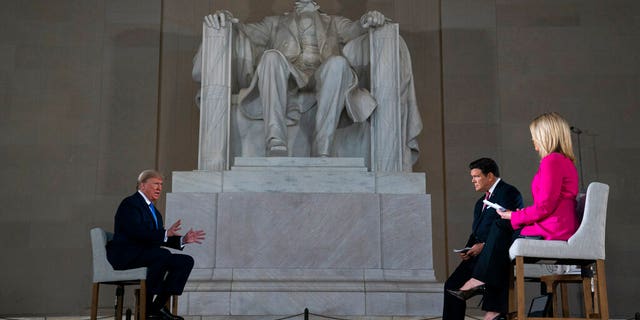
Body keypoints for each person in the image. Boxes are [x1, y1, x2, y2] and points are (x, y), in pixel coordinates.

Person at [198, 0, 401, 157]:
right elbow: (243, 31)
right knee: (270, 56)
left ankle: (323, 146)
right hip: (289, 78)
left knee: (338, 63)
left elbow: (357, 28)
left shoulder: (334, 23)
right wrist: (224, 19)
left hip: (323, 76)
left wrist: (370, 19)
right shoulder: (274, 23)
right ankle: (275, 139)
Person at [453, 112, 579, 320]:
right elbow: (548, 204)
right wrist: (517, 215)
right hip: (556, 223)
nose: (533, 140)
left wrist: (514, 216)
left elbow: (545, 206)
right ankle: (492, 308)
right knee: (501, 237)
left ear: (546, 135)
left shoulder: (552, 161)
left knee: (501, 229)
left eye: (535, 135)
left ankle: (481, 285)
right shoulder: (562, 161)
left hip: (554, 228)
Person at [106, 170, 206, 320]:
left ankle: (156, 307)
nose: (159, 188)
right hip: (126, 255)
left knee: (185, 261)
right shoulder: (130, 204)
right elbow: (135, 232)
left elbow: (157, 237)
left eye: (161, 185)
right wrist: (165, 233)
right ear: (142, 185)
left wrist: (182, 240)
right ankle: (146, 308)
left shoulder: (155, 212)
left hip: (146, 255)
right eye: (155, 184)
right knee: (162, 255)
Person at [442, 158, 523, 320]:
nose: (473, 180)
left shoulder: (508, 192)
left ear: (490, 176)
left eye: (476, 176)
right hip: (477, 254)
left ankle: (494, 310)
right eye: (472, 176)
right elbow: (476, 232)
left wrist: (484, 245)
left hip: (498, 253)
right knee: (451, 286)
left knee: (493, 274)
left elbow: (508, 226)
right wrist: (468, 249)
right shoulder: (480, 202)